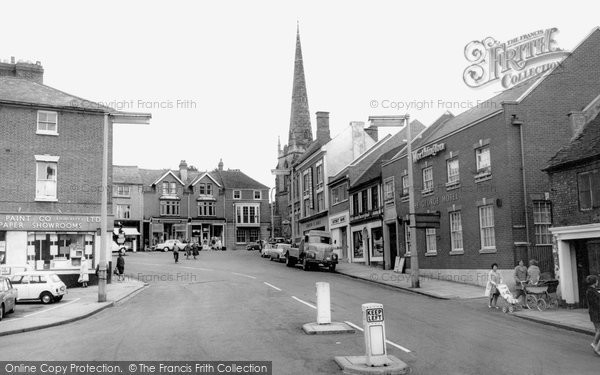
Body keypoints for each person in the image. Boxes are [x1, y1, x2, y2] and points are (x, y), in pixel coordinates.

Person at [585, 275, 600, 355]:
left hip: (594, 312)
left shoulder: (591, 290)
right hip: (596, 313)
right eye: (597, 281)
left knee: (598, 330)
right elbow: (596, 303)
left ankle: (595, 345)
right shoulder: (591, 291)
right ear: (594, 282)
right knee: (599, 330)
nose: (598, 282)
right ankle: (595, 344)